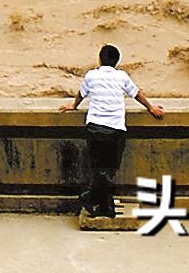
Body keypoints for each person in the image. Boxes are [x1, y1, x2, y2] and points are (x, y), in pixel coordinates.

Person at [64, 44, 164, 218]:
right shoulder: (122, 77)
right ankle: (98, 202)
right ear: (117, 62)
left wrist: (73, 106)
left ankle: (97, 202)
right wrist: (151, 107)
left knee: (99, 169)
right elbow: (136, 94)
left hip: (94, 127)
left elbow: (81, 94)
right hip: (115, 130)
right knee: (109, 169)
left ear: (100, 59)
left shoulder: (91, 75)